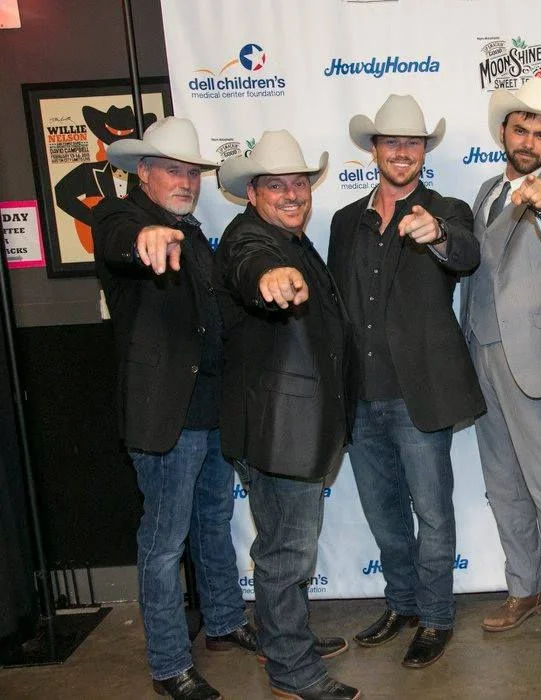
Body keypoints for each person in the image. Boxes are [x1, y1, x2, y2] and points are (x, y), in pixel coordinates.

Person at [93, 117, 254, 700]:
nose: (185, 181)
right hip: (165, 416)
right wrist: (145, 242)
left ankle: (225, 622)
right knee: (163, 543)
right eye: (173, 171)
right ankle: (167, 665)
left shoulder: (194, 236)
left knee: (212, 523)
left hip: (210, 409)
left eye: (192, 172)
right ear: (143, 172)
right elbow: (116, 240)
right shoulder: (123, 218)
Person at [329, 95, 485, 669]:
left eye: (413, 143)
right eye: (391, 142)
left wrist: (436, 231)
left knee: (434, 512)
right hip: (360, 397)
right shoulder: (346, 221)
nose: (402, 151)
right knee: (382, 512)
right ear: (374, 150)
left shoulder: (447, 208)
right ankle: (403, 602)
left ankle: (437, 616)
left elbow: (465, 254)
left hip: (421, 394)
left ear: (424, 151)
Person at [214, 130, 360, 700]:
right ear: (253, 193)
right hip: (279, 430)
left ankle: (287, 637)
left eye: (300, 182)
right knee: (285, 554)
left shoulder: (292, 237)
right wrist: (269, 278)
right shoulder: (252, 239)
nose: (292, 193)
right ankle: (292, 672)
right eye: (277, 185)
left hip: (296, 426)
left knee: (288, 547)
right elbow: (254, 269)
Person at [459, 76, 541, 668]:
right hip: (480, 354)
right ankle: (526, 588)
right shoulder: (485, 190)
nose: (530, 139)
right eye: (522, 129)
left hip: (532, 361)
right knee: (503, 485)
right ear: (505, 134)